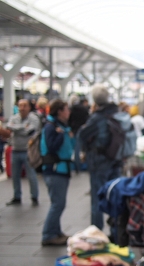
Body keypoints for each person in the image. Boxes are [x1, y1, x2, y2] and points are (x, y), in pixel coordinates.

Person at [78, 84, 122, 230]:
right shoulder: (117, 113)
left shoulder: (96, 117)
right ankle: (116, 231)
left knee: (97, 197)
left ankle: (96, 232)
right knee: (114, 195)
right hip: (117, 158)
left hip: (99, 161)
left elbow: (82, 136)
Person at [40, 99, 74, 246]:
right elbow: (52, 147)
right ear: (59, 111)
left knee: (59, 202)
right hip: (54, 170)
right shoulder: (51, 127)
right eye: (66, 109)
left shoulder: (61, 126)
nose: (69, 112)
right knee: (58, 203)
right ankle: (48, 234)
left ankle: (56, 231)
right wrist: (60, 135)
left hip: (61, 169)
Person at [5, 99, 40, 206]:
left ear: (29, 107)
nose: (22, 108)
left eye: (24, 106)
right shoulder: (14, 117)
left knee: (31, 175)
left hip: (28, 151)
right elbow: (9, 127)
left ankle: (34, 196)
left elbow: (29, 131)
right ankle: (17, 196)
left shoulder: (33, 118)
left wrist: (16, 129)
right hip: (15, 150)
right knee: (15, 175)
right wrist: (22, 128)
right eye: (20, 106)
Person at [68, 94, 89, 172]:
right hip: (83, 130)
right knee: (85, 149)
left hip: (74, 131)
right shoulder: (84, 108)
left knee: (76, 150)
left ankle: (77, 167)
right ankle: (86, 165)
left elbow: (69, 121)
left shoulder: (71, 109)